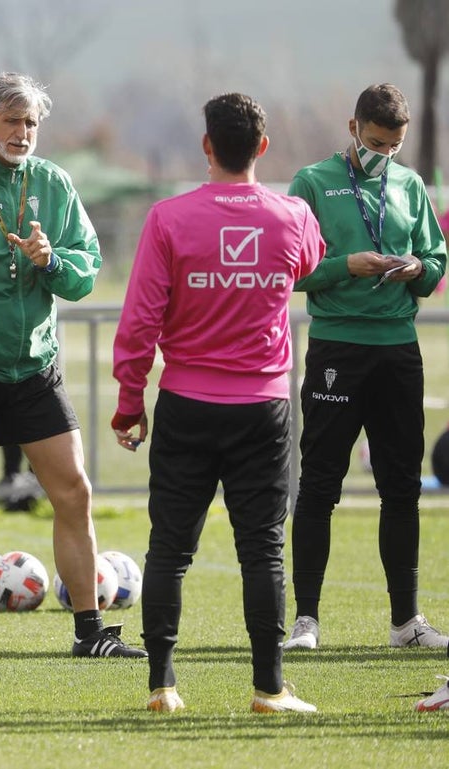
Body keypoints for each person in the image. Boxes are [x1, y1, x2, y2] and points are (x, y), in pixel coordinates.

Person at [0, 72, 145, 661]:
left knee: (74, 491)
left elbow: (86, 272)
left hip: (35, 367)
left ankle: (90, 635)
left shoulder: (56, 184)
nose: (22, 132)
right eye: (11, 121)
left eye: (31, 123)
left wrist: (52, 260)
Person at [111, 93, 325, 713]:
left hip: (184, 401)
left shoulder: (168, 218)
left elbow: (139, 322)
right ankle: (269, 687)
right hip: (263, 408)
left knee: (169, 548)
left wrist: (130, 403)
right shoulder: (292, 216)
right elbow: (308, 264)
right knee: (261, 548)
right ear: (262, 147)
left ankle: (163, 685)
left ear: (206, 145)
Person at [284, 83, 449, 652]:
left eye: (396, 145)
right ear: (353, 128)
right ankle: (306, 621)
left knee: (401, 488)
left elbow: (436, 261)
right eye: (377, 142)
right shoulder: (312, 182)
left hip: (398, 348)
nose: (387, 154)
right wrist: (344, 266)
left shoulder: (410, 185)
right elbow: (292, 272)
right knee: (321, 484)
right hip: (337, 347)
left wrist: (416, 270)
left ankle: (406, 623)